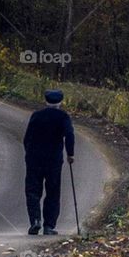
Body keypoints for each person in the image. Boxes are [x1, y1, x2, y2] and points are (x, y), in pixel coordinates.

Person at [23, 88, 75, 235]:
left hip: (34, 159)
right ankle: (49, 226)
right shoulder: (63, 117)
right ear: (60, 102)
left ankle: (35, 220)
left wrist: (29, 154)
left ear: (45, 101)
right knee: (52, 191)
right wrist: (70, 154)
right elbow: (69, 135)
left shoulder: (36, 116)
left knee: (33, 190)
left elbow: (27, 138)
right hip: (53, 160)